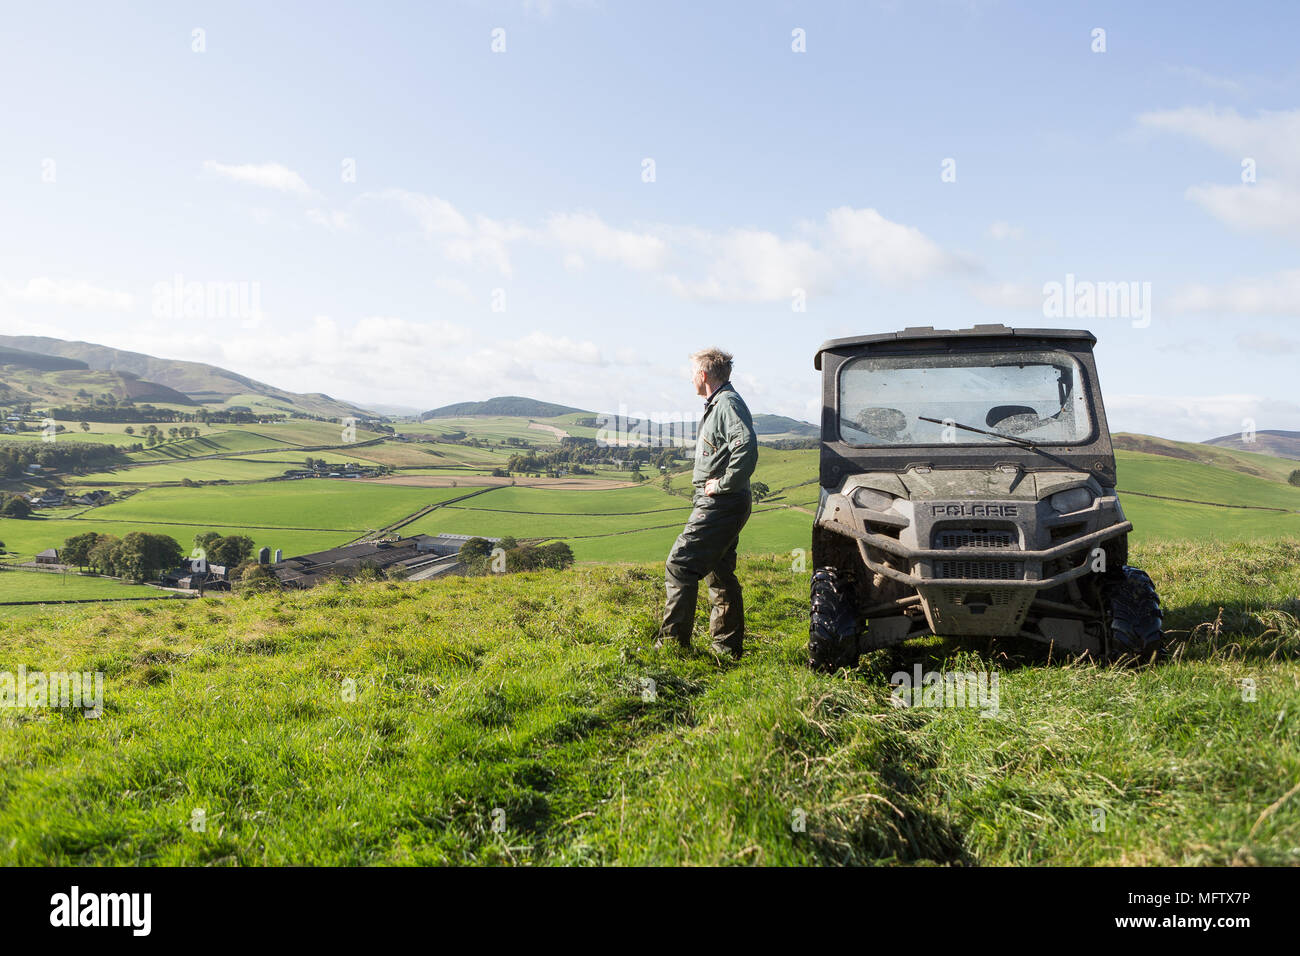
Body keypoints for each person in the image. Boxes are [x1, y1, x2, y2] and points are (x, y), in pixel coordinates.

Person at [655, 347, 758, 660]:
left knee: (679, 565)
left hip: (720, 502)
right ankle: (726, 649)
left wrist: (723, 483)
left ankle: (673, 648)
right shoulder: (721, 403)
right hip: (725, 501)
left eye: (692, 374)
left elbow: (747, 448)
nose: (690, 379)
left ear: (702, 375)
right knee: (719, 572)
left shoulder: (727, 403)